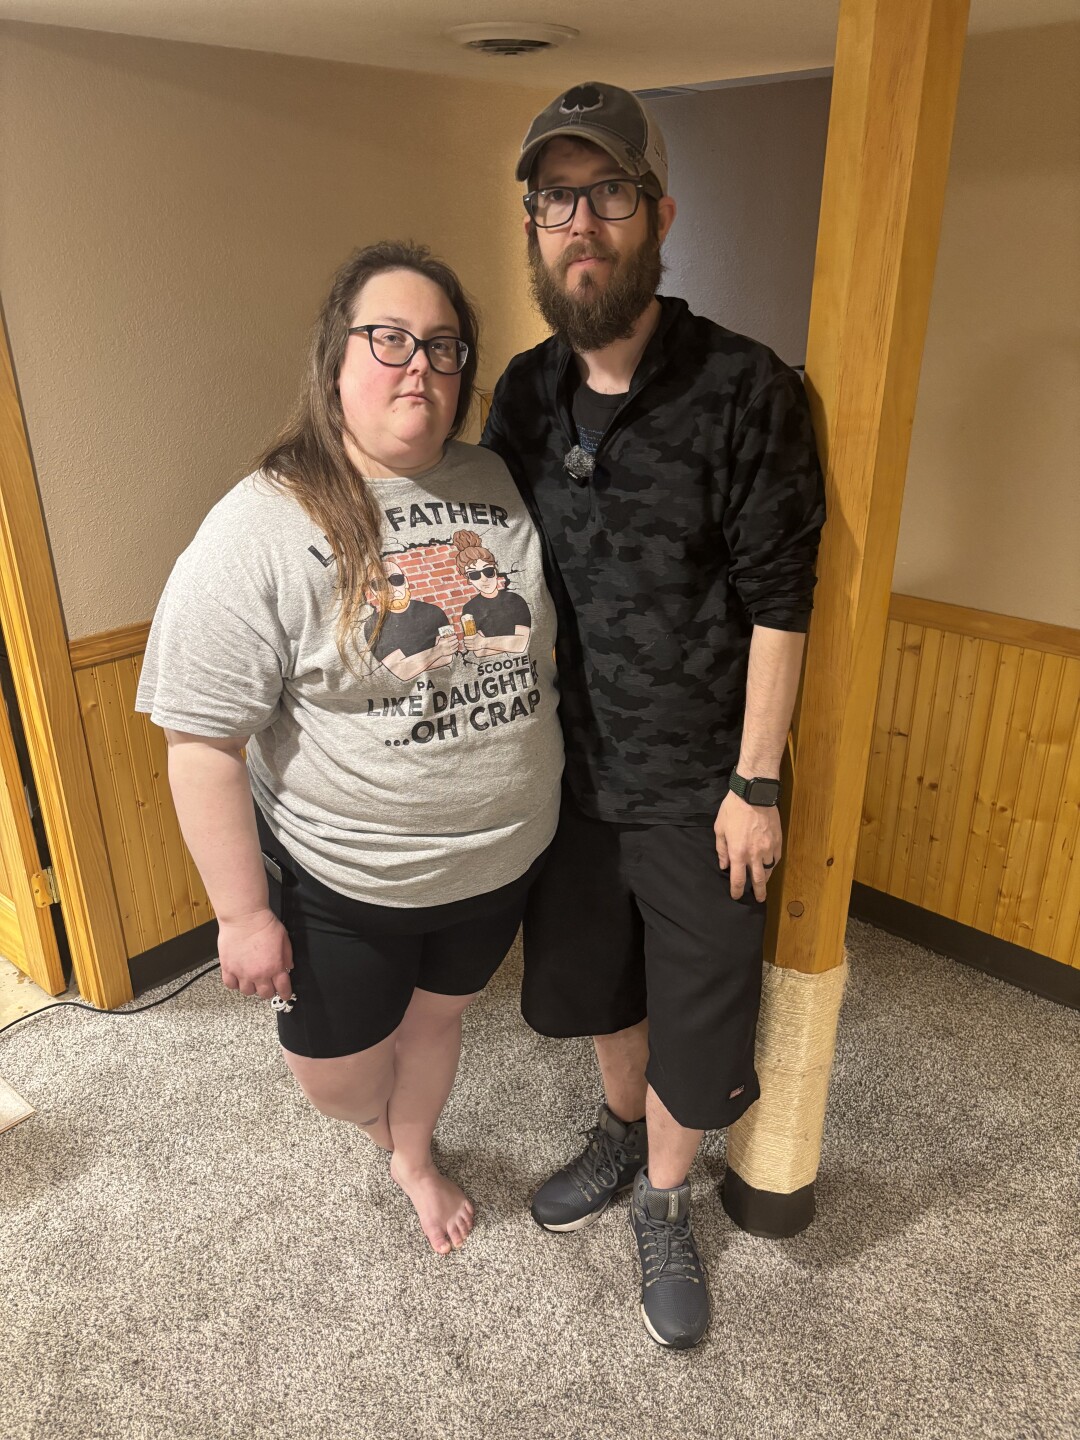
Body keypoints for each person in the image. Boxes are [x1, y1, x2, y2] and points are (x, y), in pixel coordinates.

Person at [482, 83, 826, 1348]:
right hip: (566, 780)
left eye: (608, 193)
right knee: (599, 988)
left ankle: (666, 1198)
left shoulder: (744, 387)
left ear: (658, 214)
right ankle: (622, 1134)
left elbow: (783, 601)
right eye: (555, 199)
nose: (581, 222)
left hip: (702, 790)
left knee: (698, 1013)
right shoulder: (521, 396)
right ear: (534, 226)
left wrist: (756, 783)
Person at [137, 241, 563, 1257]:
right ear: (336, 360)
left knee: (436, 1024)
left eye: (445, 346)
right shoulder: (259, 524)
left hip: (498, 861)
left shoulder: (496, 478)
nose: (422, 365)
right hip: (349, 879)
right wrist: (243, 916)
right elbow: (201, 741)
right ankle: (382, 1131)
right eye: (391, 339)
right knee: (336, 1080)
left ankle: (413, 1156)